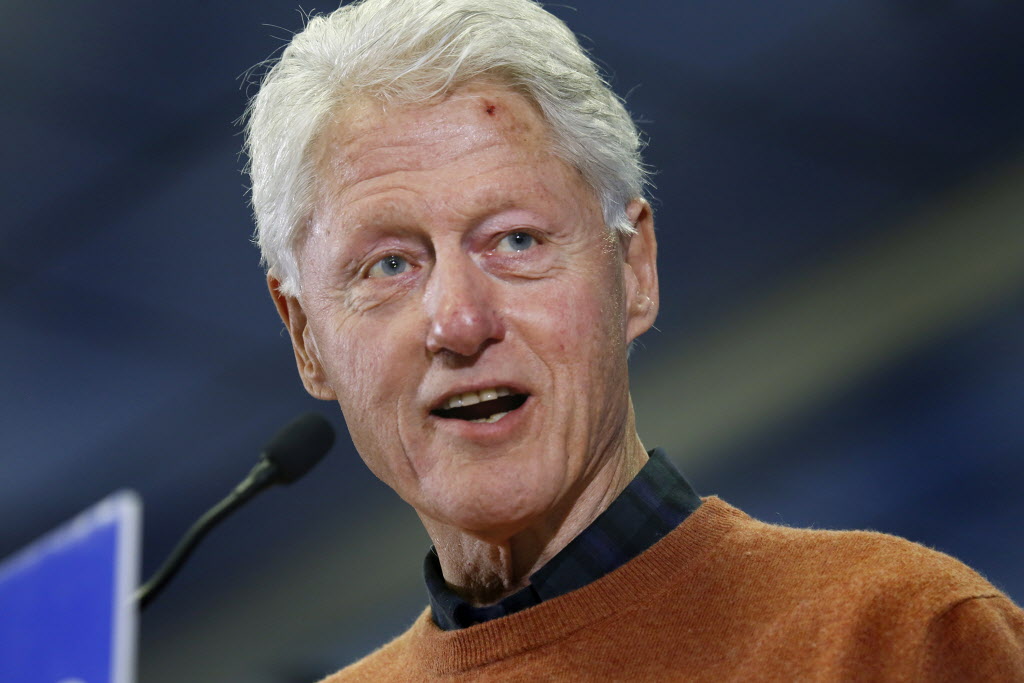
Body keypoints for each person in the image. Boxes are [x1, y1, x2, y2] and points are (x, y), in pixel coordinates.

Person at [244, 0, 1024, 679]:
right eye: (389, 263)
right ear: (307, 337)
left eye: (515, 241)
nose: (459, 321)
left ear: (634, 269)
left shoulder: (897, 636)